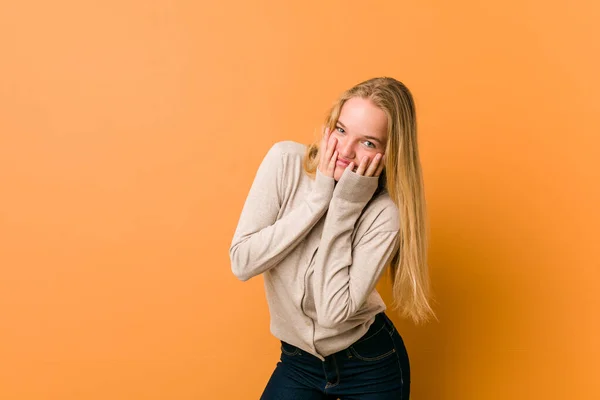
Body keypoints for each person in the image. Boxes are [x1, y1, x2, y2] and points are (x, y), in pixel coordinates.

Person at [229, 77, 434, 399]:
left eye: (368, 143)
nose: (346, 151)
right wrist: (317, 200)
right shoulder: (286, 162)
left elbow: (332, 314)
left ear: (389, 151)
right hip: (297, 362)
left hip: (370, 365)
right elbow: (242, 262)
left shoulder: (385, 214)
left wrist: (346, 206)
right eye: (341, 130)